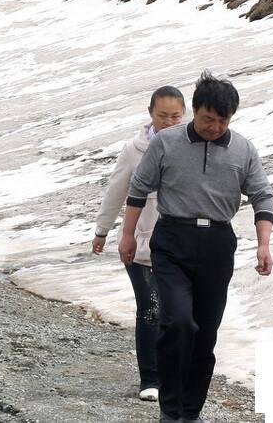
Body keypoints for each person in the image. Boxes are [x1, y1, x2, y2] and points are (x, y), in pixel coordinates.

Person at [121, 71, 273, 423]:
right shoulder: (167, 142)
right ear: (195, 110)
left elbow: (263, 195)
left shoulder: (243, 149)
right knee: (177, 322)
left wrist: (263, 244)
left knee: (205, 335)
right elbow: (138, 187)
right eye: (208, 119)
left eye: (223, 121)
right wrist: (127, 236)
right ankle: (170, 409)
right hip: (172, 239)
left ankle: (189, 413)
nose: (215, 127)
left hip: (218, 245)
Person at [92, 86, 186, 403]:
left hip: (181, 246)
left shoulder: (194, 145)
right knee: (150, 309)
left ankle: (175, 373)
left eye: (175, 116)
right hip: (141, 245)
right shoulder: (135, 149)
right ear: (150, 114)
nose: (169, 122)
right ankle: (151, 379)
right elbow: (116, 192)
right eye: (162, 116)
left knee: (178, 312)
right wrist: (102, 231)